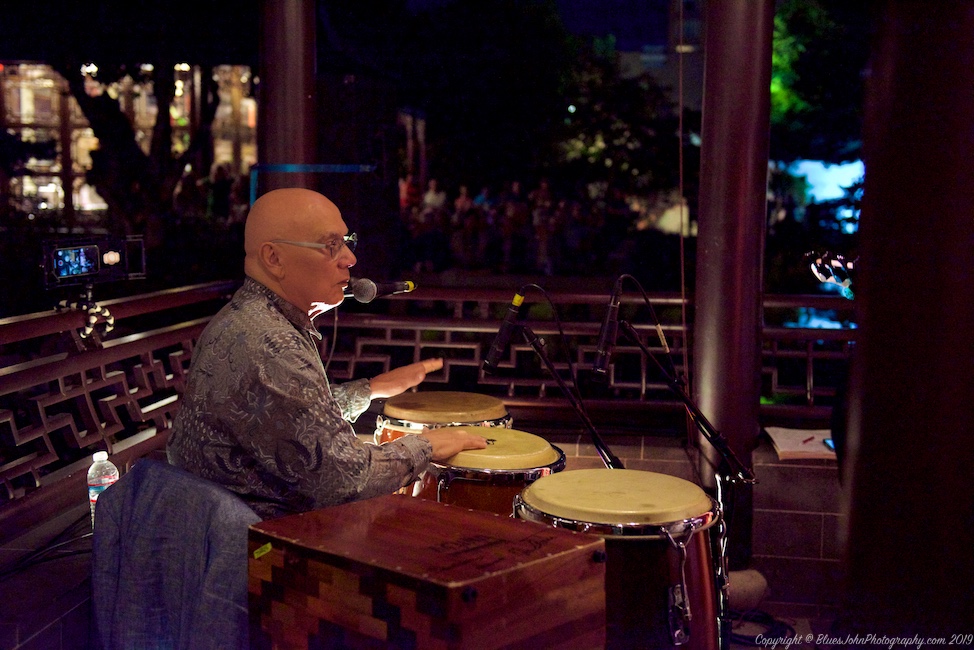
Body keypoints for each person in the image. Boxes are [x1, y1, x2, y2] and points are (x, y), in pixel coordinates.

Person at [167, 188, 487, 519]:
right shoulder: (272, 343)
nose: (350, 259)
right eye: (330, 245)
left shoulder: (249, 315)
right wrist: (429, 445)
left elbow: (288, 419)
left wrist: (371, 389)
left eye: (346, 242)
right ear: (274, 258)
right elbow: (348, 480)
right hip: (261, 537)